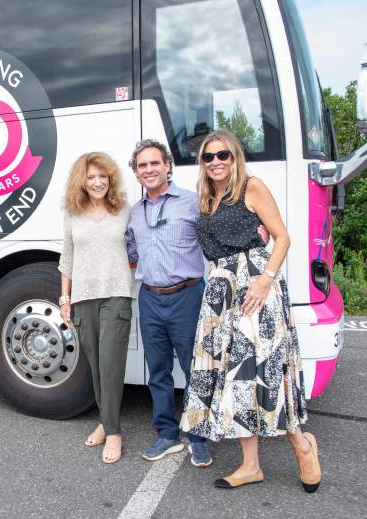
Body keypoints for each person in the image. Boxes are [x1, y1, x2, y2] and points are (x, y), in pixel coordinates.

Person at [179, 130, 321, 492]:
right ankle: (251, 466)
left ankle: (302, 446)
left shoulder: (251, 187)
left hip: (256, 284)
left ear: (235, 156)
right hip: (222, 290)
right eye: (208, 157)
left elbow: (283, 237)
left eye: (222, 155)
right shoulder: (207, 197)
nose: (215, 162)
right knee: (234, 375)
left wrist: (265, 279)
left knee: (268, 367)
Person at [125, 139, 212, 467]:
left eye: (154, 163)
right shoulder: (134, 213)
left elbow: (213, 240)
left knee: (195, 368)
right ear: (136, 172)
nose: (148, 169)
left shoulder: (193, 203)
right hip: (150, 298)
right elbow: (132, 254)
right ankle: (166, 433)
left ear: (167, 166)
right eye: (142, 165)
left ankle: (199, 435)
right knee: (158, 369)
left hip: (188, 295)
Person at [59, 152, 133, 464]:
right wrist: (65, 298)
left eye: (103, 176)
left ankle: (114, 432)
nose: (98, 182)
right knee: (96, 365)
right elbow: (67, 256)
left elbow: (138, 245)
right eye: (91, 177)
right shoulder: (72, 213)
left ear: (111, 179)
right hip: (83, 297)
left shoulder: (124, 209)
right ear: (82, 181)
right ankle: (105, 422)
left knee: (111, 365)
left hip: (116, 294)